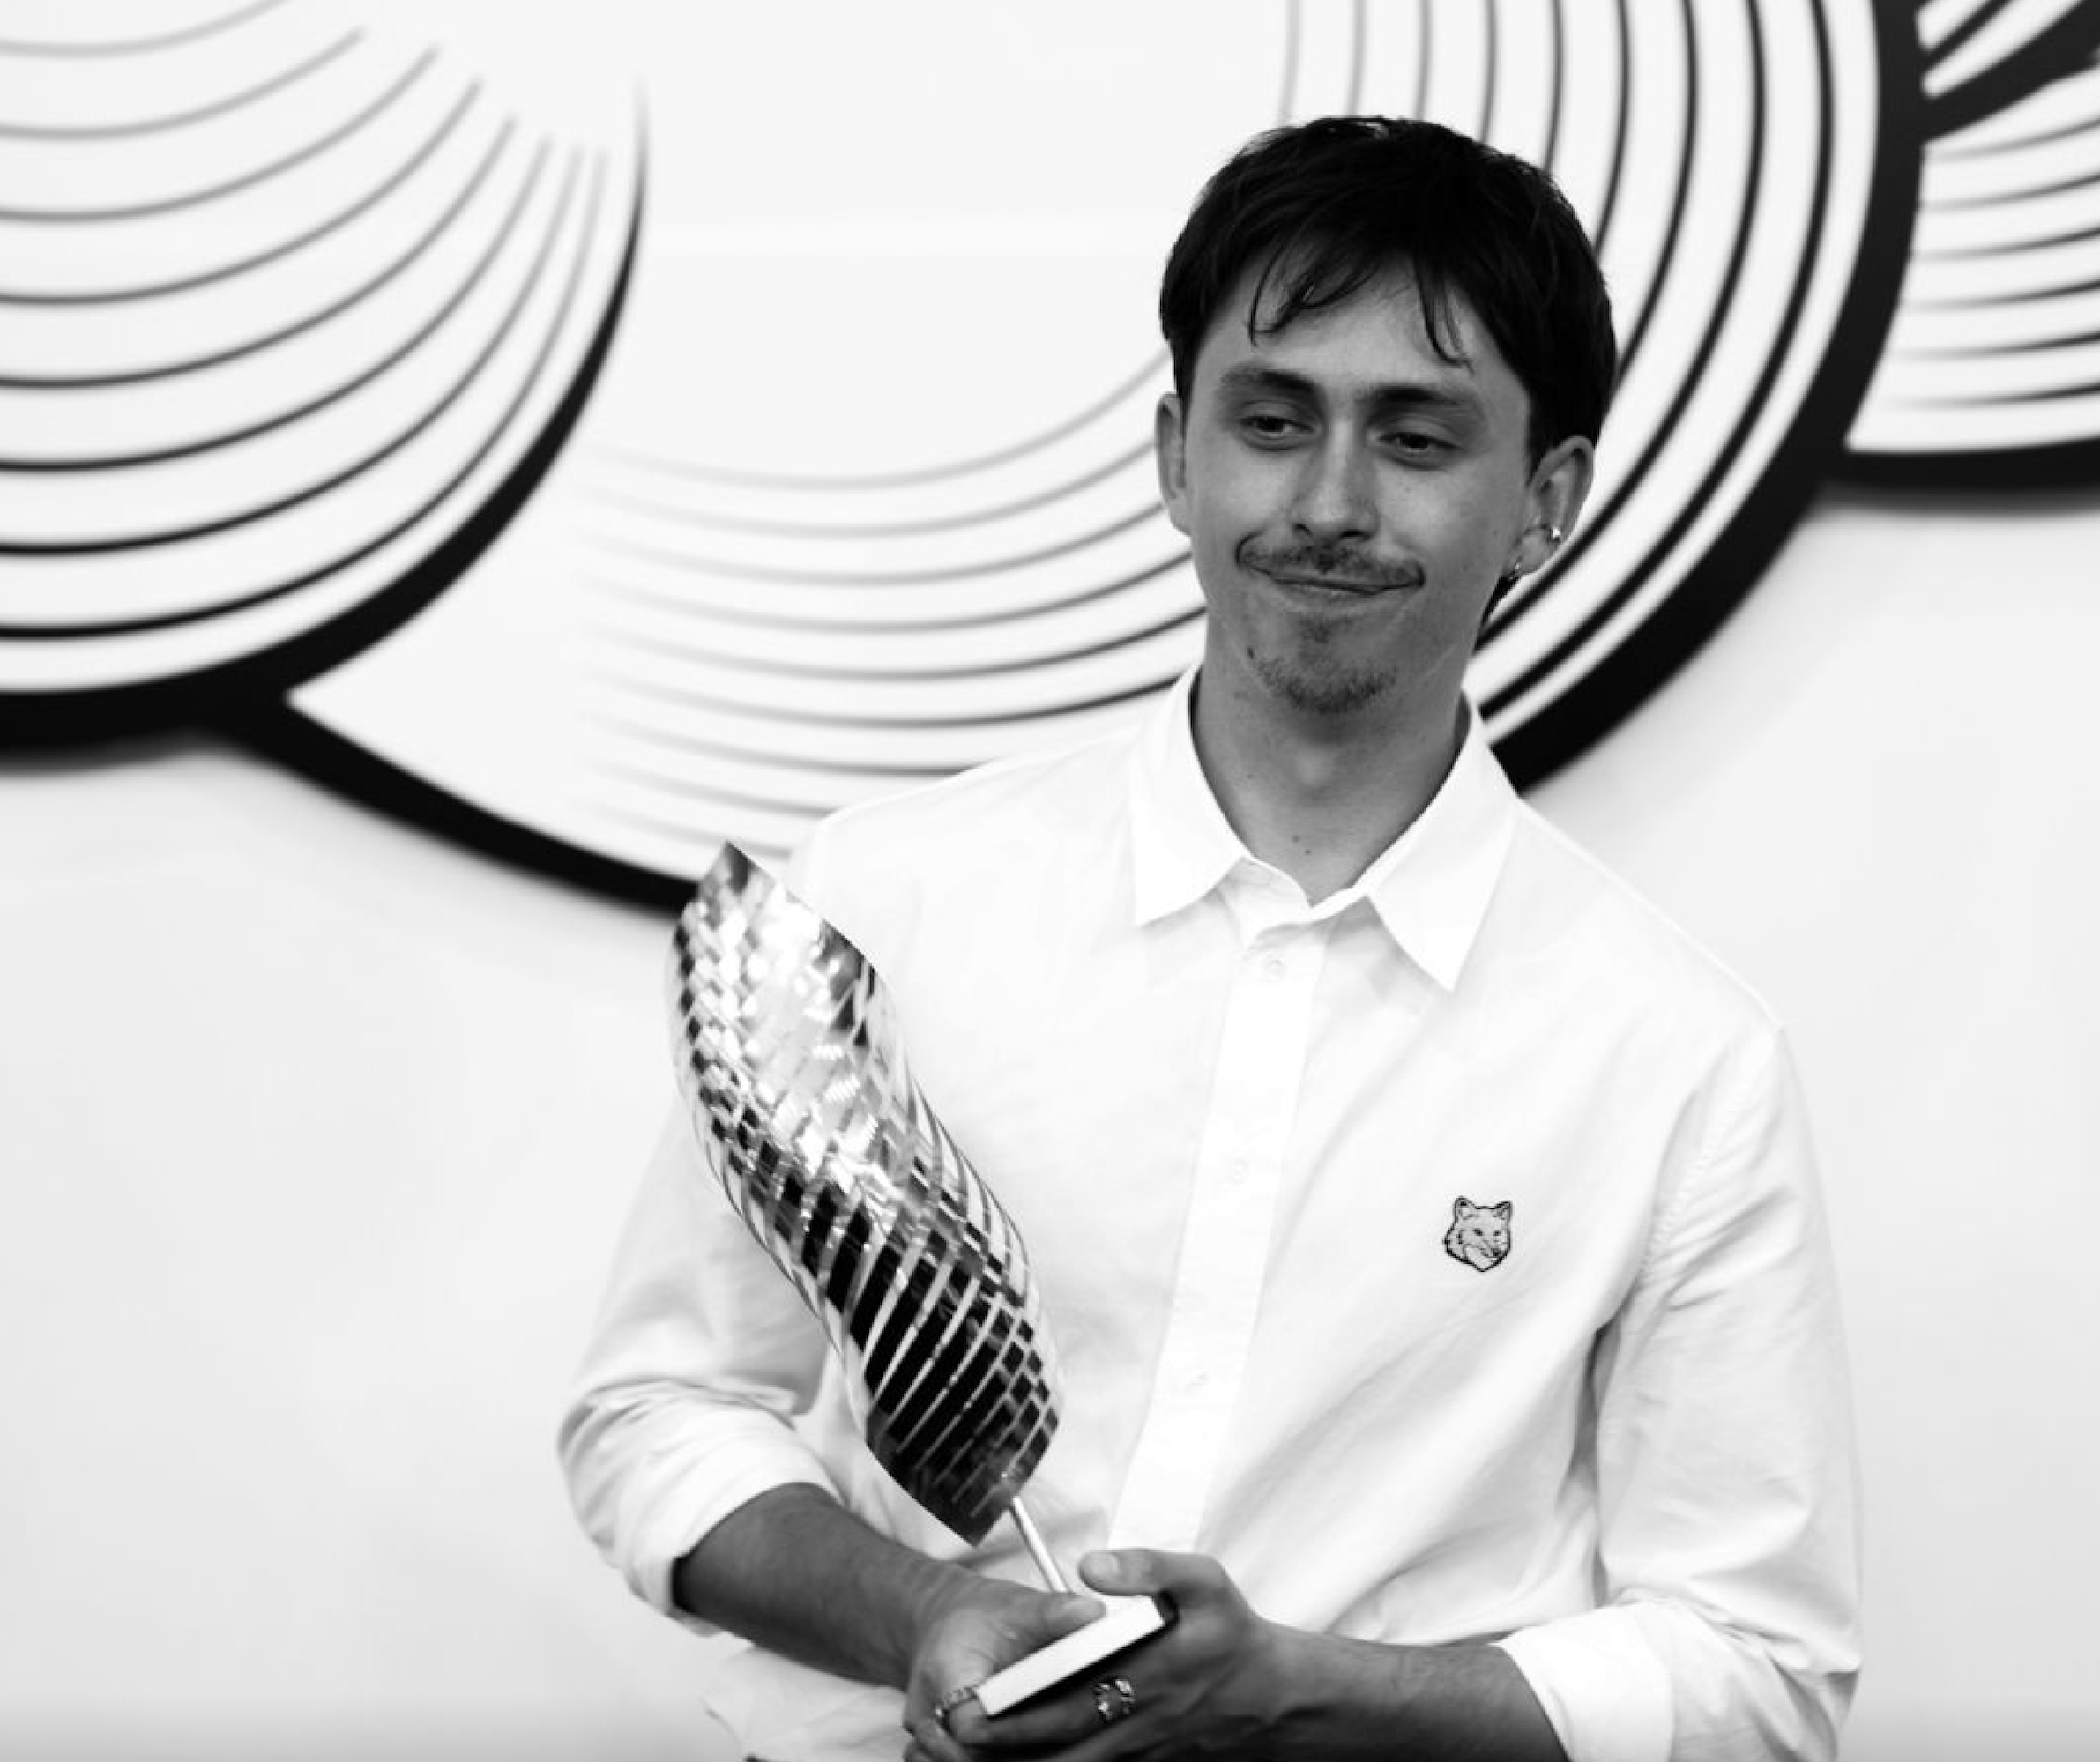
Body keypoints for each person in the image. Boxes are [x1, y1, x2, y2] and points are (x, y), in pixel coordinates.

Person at [559, 115, 1861, 1762]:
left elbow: (1755, 1670)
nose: (1328, 502)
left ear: (1544, 503)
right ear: (1178, 453)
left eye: (1415, 436)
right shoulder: (884, 904)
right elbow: (662, 1409)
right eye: (1271, 419)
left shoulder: (1676, 1058)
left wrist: (1297, 1690)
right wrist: (921, 1615)